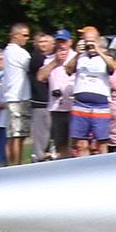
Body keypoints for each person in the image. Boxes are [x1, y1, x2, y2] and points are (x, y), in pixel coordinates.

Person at [65, 28, 116, 157]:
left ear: (98, 41)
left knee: (102, 142)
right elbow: (68, 69)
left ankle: (104, 168)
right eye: (87, 41)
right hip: (80, 105)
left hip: (100, 106)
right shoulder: (80, 57)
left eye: (92, 41)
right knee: (81, 143)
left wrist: (98, 50)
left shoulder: (105, 56)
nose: (89, 44)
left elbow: (112, 67)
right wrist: (77, 54)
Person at [38, 30, 78, 158]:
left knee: (77, 142)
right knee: (61, 143)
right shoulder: (49, 59)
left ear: (70, 42)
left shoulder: (76, 57)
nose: (62, 45)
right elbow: (40, 77)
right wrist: (55, 62)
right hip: (56, 107)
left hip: (74, 106)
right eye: (59, 41)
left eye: (64, 41)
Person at [0, 23, 32, 166]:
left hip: (14, 97)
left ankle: (11, 165)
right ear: (15, 35)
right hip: (18, 98)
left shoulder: (7, 51)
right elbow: (32, 66)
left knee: (14, 135)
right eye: (24, 35)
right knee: (17, 135)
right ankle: (15, 167)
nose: (27, 38)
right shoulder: (18, 52)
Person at [25, 29, 57, 162]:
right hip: (40, 103)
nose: (43, 44)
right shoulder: (36, 58)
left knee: (51, 136)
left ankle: (49, 157)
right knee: (40, 138)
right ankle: (38, 161)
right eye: (40, 42)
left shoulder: (52, 57)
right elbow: (40, 75)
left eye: (46, 42)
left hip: (54, 104)